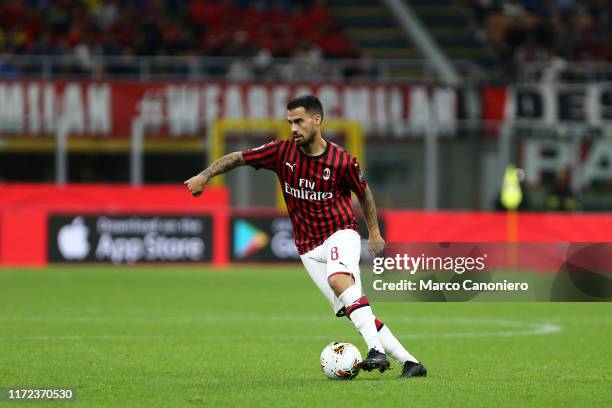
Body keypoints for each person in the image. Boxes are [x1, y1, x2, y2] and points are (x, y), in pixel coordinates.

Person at [184, 95, 426, 378]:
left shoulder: (342, 160)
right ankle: (411, 363)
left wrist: (374, 231)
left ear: (317, 120)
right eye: (290, 123)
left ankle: (376, 351)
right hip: (307, 248)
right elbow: (238, 157)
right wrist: (206, 174)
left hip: (341, 232)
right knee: (353, 308)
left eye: (299, 121)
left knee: (339, 280)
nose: (293, 128)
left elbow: (364, 193)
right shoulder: (280, 153)